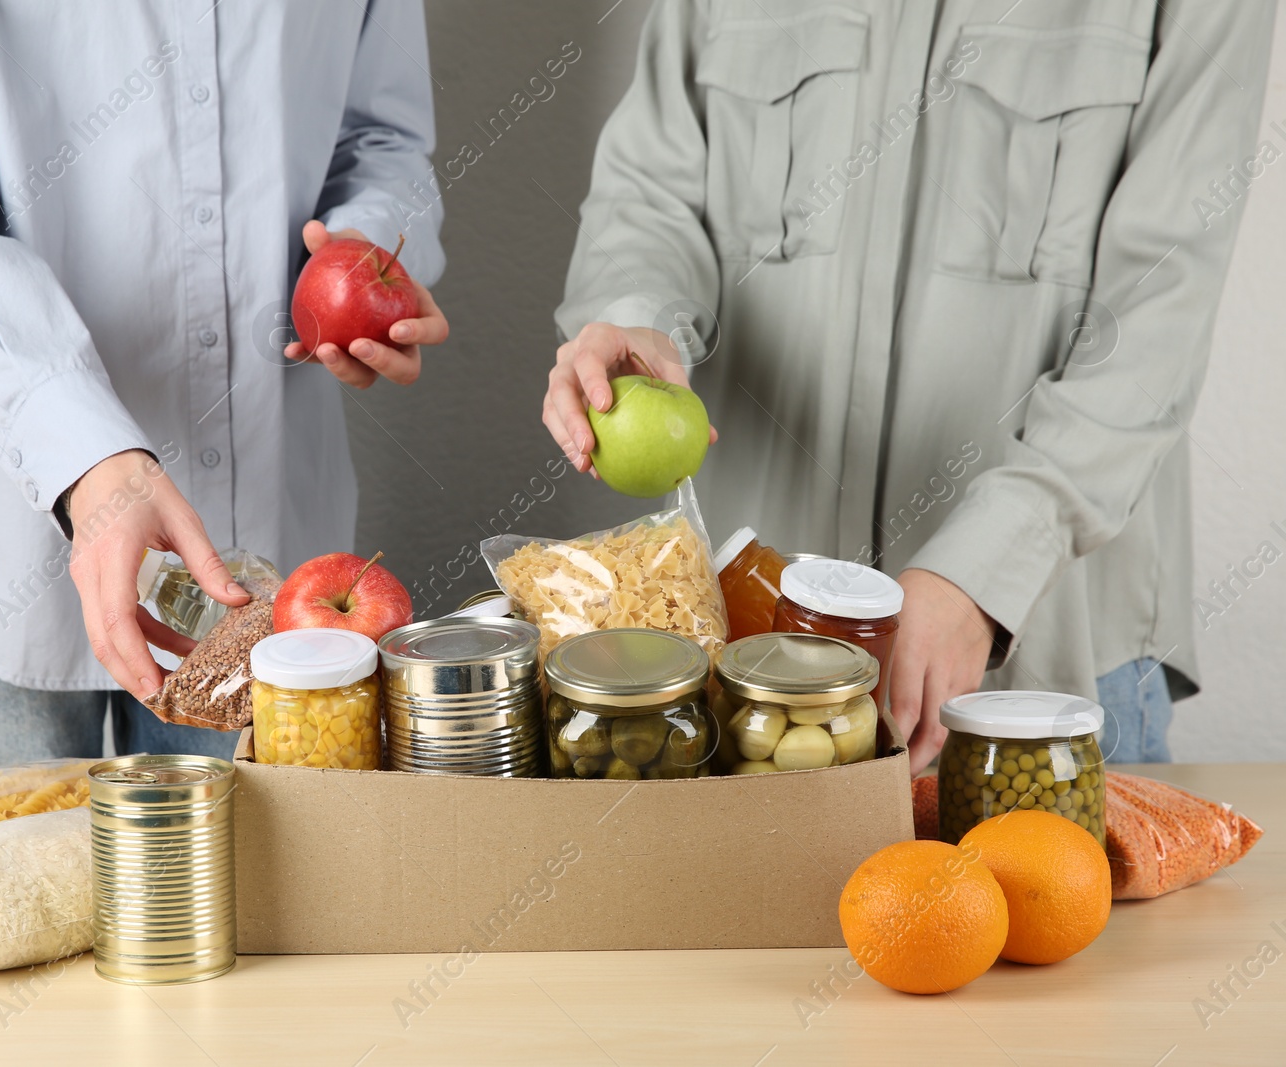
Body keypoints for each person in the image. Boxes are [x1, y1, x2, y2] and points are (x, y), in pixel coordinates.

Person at [544, 1, 1273, 771]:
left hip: (1043, 674)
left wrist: (985, 572)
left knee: (1051, 893)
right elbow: (649, 192)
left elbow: (1159, 310)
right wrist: (641, 319)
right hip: (757, 673)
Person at [0, 1, 449, 774]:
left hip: (268, 548)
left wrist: (359, 259)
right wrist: (84, 452)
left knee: (259, 897)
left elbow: (382, 135)